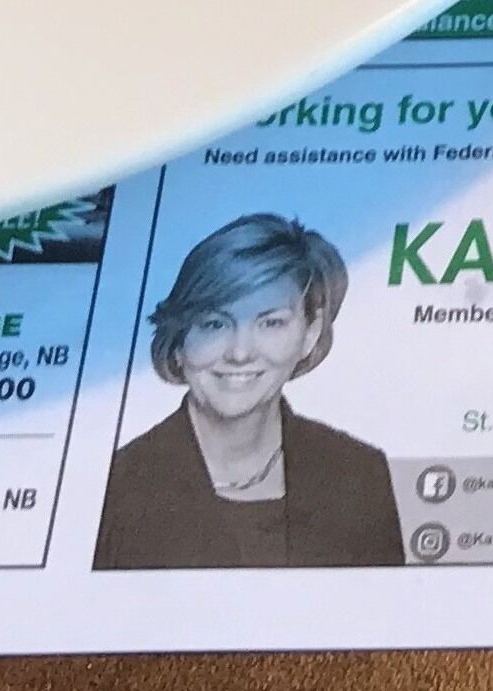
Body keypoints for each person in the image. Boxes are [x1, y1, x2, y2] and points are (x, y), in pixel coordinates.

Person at [92, 214, 405, 567]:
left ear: (310, 333)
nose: (240, 352)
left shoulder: (360, 475)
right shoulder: (114, 487)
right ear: (179, 340)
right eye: (214, 324)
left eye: (270, 323)